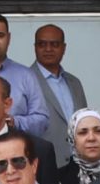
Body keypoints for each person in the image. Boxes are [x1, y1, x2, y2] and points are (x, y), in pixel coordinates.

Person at [30, 24, 88, 166]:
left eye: (54, 44)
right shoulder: (25, 80)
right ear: (35, 47)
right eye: (42, 44)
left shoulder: (75, 83)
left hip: (79, 164)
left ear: (64, 48)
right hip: (43, 165)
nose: (48, 49)